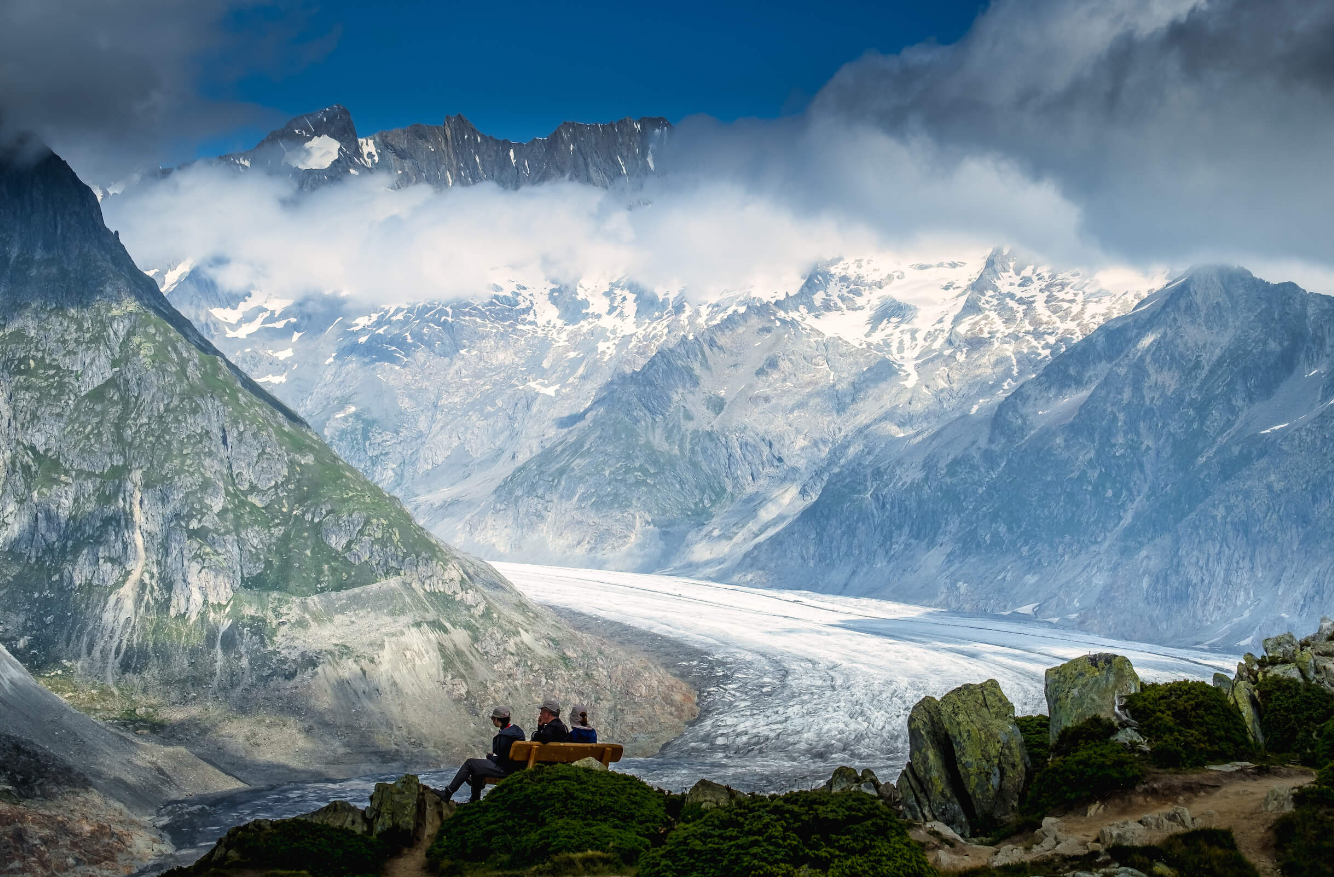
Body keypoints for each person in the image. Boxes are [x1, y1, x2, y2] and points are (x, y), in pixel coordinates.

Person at [444, 706, 525, 803]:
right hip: (517, 768)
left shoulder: (504, 736)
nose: (492, 721)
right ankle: (474, 800)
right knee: (477, 766)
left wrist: (490, 757)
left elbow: (500, 761)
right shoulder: (518, 731)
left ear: (496, 719)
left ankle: (448, 793)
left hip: (506, 770)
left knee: (470, 763)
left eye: (492, 718)